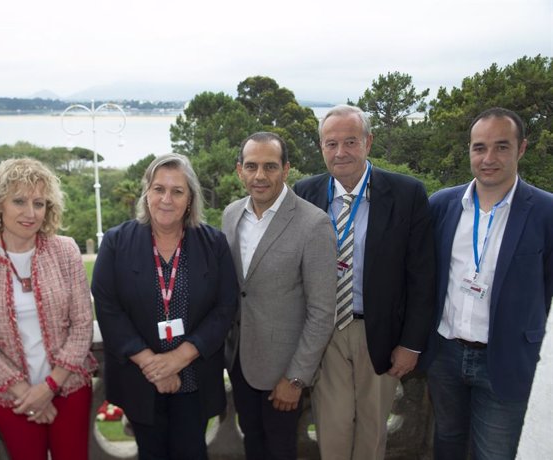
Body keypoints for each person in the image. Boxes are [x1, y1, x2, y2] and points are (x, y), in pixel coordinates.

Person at [293, 105, 435, 460]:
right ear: (321, 147)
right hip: (325, 331)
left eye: (351, 141)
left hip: (381, 332)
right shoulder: (304, 192)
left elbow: (422, 275)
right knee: (332, 427)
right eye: (331, 143)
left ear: (368, 142)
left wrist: (411, 343)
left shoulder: (406, 194)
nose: (341, 152)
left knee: (373, 430)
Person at [423, 107, 553, 459]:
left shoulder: (545, 212)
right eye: (479, 148)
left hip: (506, 358)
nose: (488, 158)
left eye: (501, 147)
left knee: (495, 452)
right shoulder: (442, 205)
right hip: (446, 354)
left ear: (521, 148)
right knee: (447, 442)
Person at [91, 153, 238, 460]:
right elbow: (107, 307)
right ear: (147, 193)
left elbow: (225, 308)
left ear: (190, 198)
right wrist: (152, 363)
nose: (166, 199)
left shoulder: (214, 244)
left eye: (177, 191)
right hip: (142, 377)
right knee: (151, 453)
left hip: (194, 376)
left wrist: (178, 359)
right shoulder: (117, 243)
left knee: (192, 451)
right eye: (159, 189)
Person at [0, 158, 96, 460]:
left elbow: (83, 324)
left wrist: (48, 387)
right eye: (19, 201)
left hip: (68, 387)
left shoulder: (66, 250)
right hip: (11, 398)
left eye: (39, 203)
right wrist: (27, 394)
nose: (30, 213)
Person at [222, 132, 337, 460]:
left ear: (286, 170)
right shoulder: (231, 215)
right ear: (239, 170)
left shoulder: (313, 224)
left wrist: (296, 378)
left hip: (283, 371)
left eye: (270, 166)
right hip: (240, 362)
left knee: (281, 450)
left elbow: (321, 311)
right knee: (253, 446)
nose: (260, 176)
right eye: (252, 166)